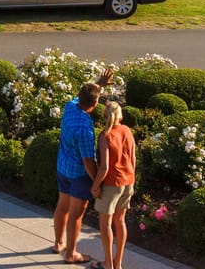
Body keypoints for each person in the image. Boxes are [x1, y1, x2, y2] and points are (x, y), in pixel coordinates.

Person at [53, 68, 113, 264]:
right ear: (95, 104)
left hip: (63, 168)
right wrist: (97, 184)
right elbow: (88, 161)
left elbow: (83, 96)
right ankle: (71, 254)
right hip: (79, 175)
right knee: (76, 214)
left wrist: (99, 84)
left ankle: (58, 243)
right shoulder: (85, 129)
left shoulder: (70, 107)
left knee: (62, 206)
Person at [91, 102, 136, 269]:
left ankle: (108, 265)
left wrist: (95, 186)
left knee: (105, 225)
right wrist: (132, 177)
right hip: (128, 181)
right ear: (121, 116)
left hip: (111, 184)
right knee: (121, 221)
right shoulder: (127, 131)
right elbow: (133, 158)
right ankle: (118, 262)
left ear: (104, 116)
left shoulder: (105, 135)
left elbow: (104, 167)